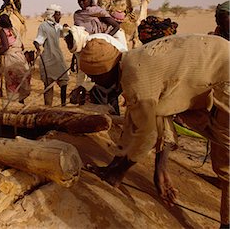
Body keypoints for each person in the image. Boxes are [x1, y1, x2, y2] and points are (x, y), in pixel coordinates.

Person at [77, 35, 229, 228]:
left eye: (94, 77)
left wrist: (118, 173)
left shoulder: (136, 78)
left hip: (224, 69)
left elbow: (147, 136)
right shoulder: (130, 62)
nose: (93, 81)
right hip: (211, 61)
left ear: (105, 71)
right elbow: (139, 120)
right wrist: (114, 165)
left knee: (226, 158)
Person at [33, 5, 69, 106]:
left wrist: (66, 29)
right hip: (48, 59)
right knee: (48, 84)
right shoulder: (43, 26)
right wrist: (37, 48)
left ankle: (63, 104)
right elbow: (38, 39)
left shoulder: (58, 26)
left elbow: (65, 35)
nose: (60, 16)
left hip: (58, 57)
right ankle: (48, 106)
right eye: (58, 14)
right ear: (52, 15)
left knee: (64, 81)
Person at [0, 14, 31, 103]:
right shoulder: (14, 30)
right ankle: (21, 101)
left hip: (11, 58)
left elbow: (5, 47)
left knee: (13, 80)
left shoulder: (2, 32)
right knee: (21, 78)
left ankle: (15, 102)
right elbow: (22, 46)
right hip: (20, 57)